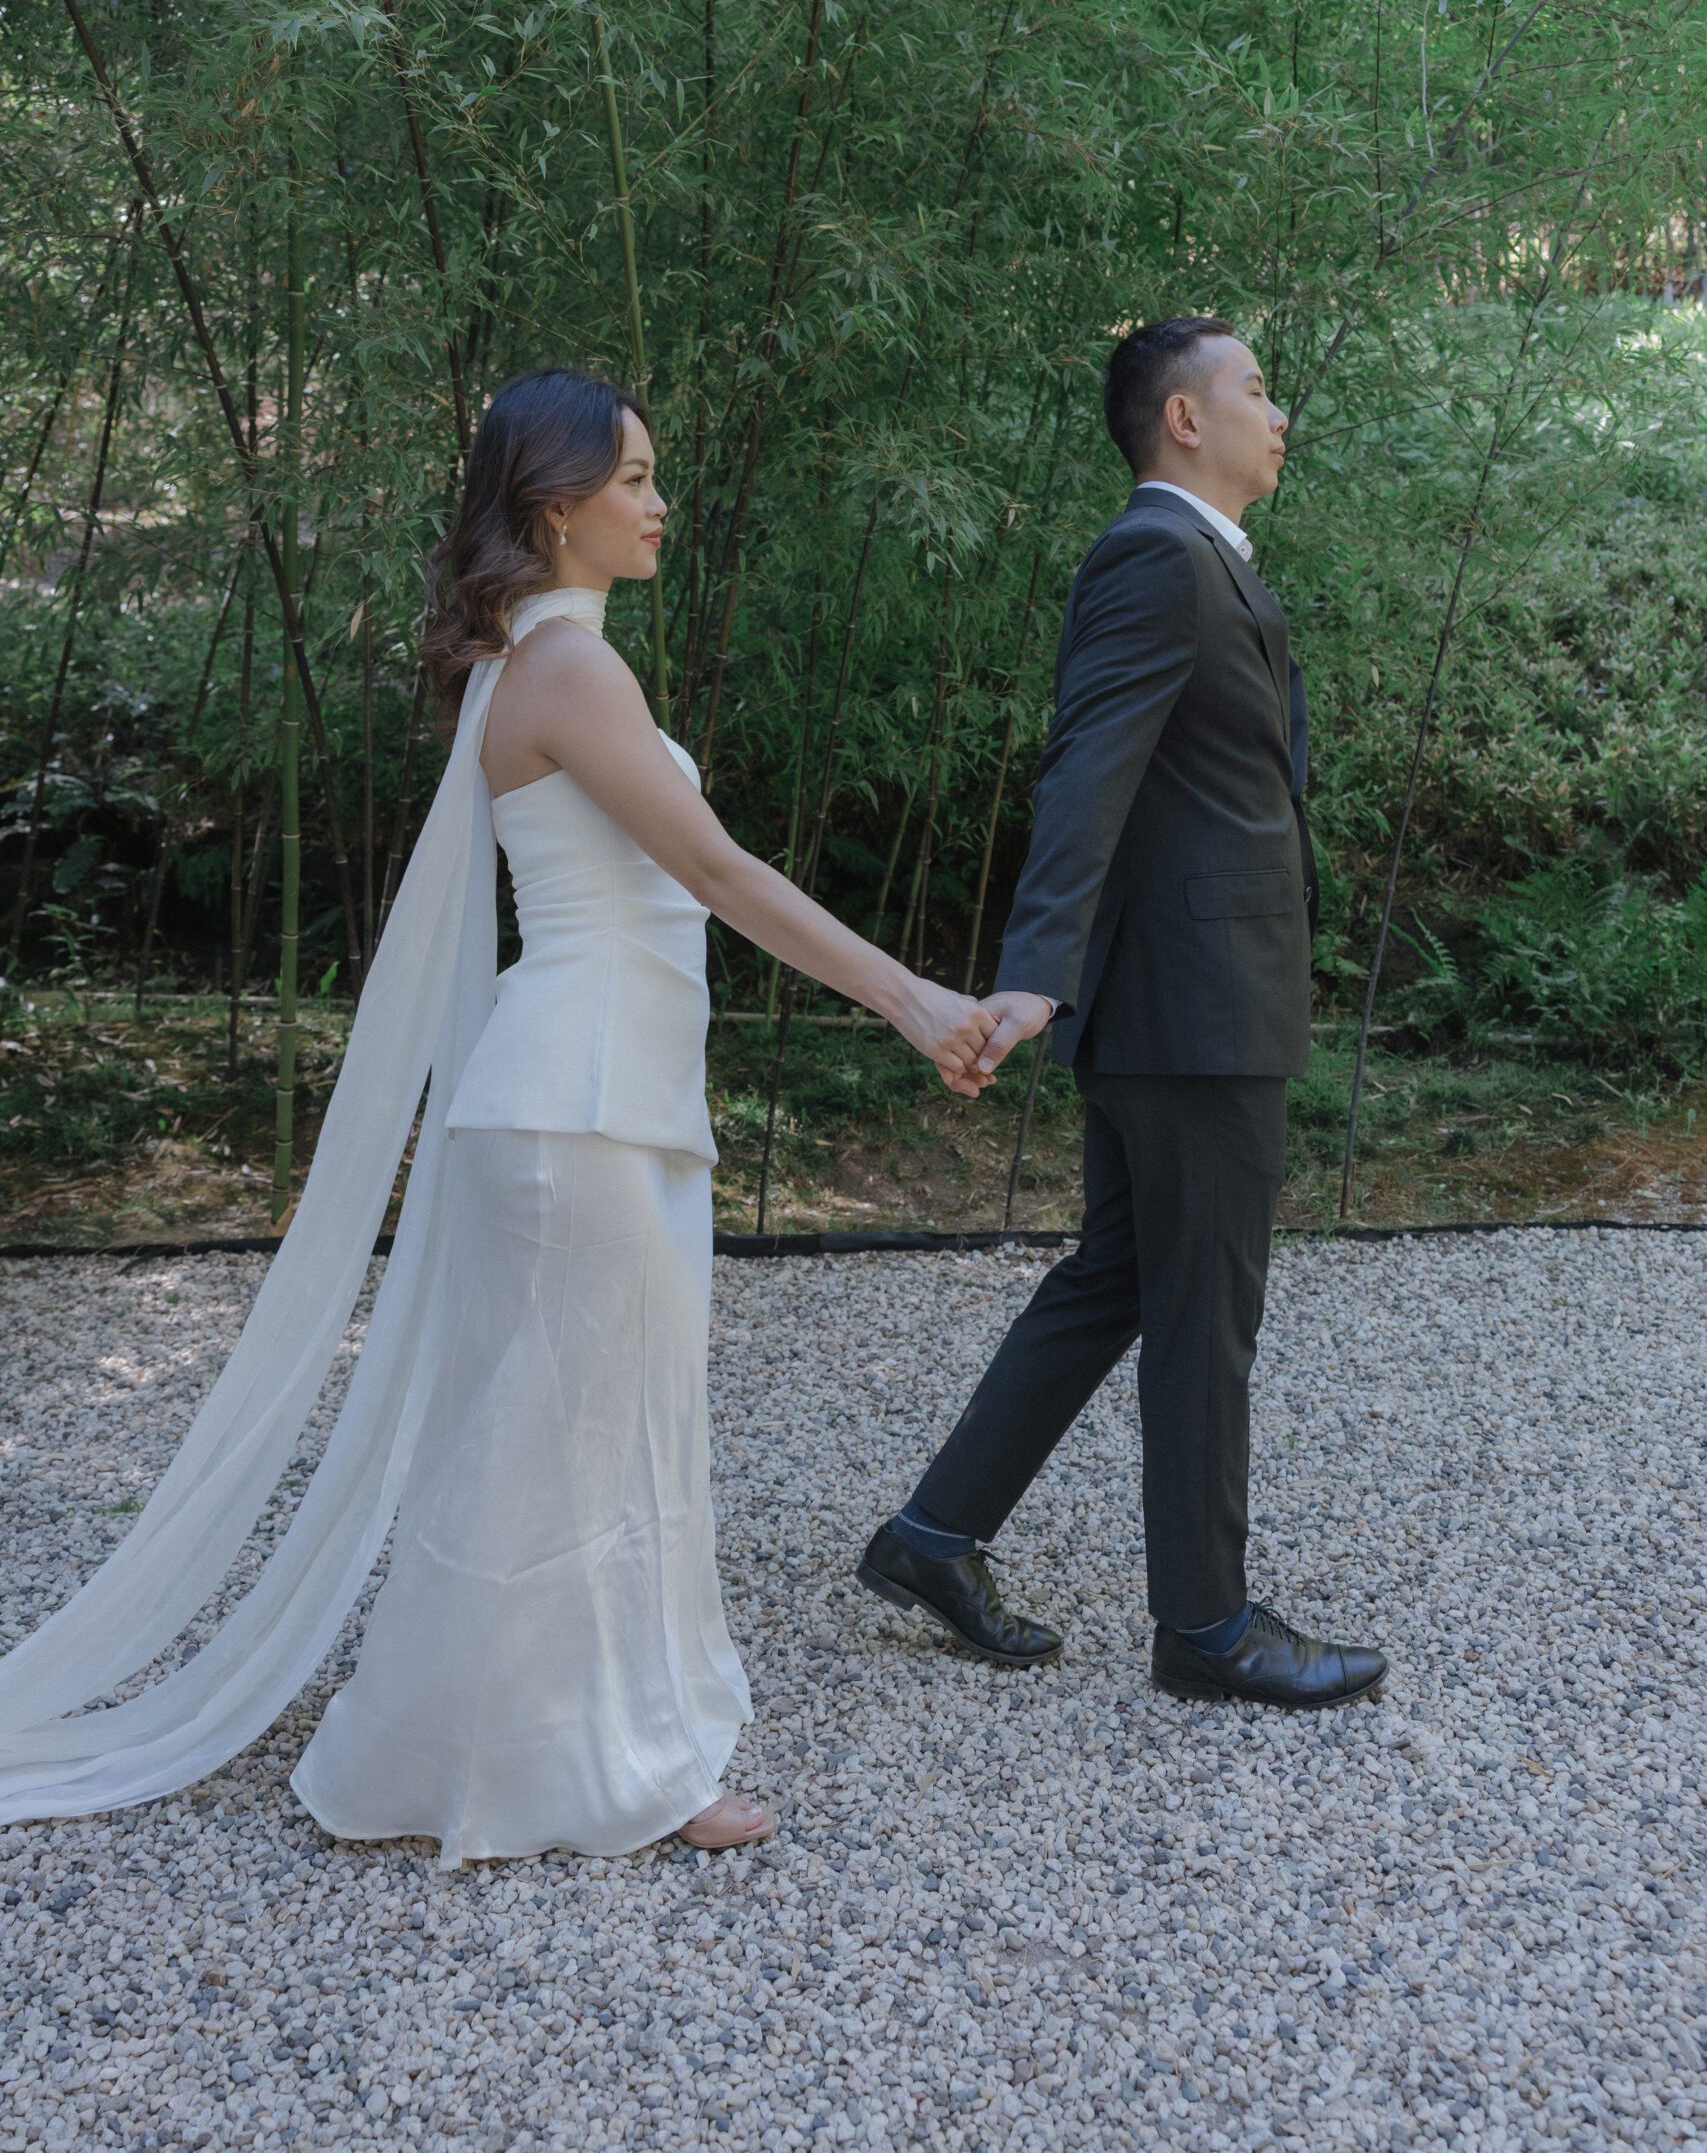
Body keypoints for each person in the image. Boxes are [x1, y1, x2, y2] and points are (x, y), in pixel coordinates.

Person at [0, 367, 995, 1861]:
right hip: (575, 1106)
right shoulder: (570, 674)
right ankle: (584, 1773)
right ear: (555, 504)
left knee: (574, 1435)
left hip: (601, 1098)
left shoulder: (546, 663)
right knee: (567, 1444)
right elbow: (718, 876)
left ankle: (503, 1753)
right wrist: (916, 1003)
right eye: (638, 479)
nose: (664, 505)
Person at [858, 317, 1388, 1712]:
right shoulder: (1156, 555)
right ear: (1186, 419)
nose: (1282, 412)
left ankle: (931, 1537)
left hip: (1186, 996)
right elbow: (1086, 766)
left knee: (1116, 1280)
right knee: (1205, 1308)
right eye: (1260, 388)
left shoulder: (1205, 560)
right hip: (1189, 1014)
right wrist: (1035, 971)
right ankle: (1206, 1627)